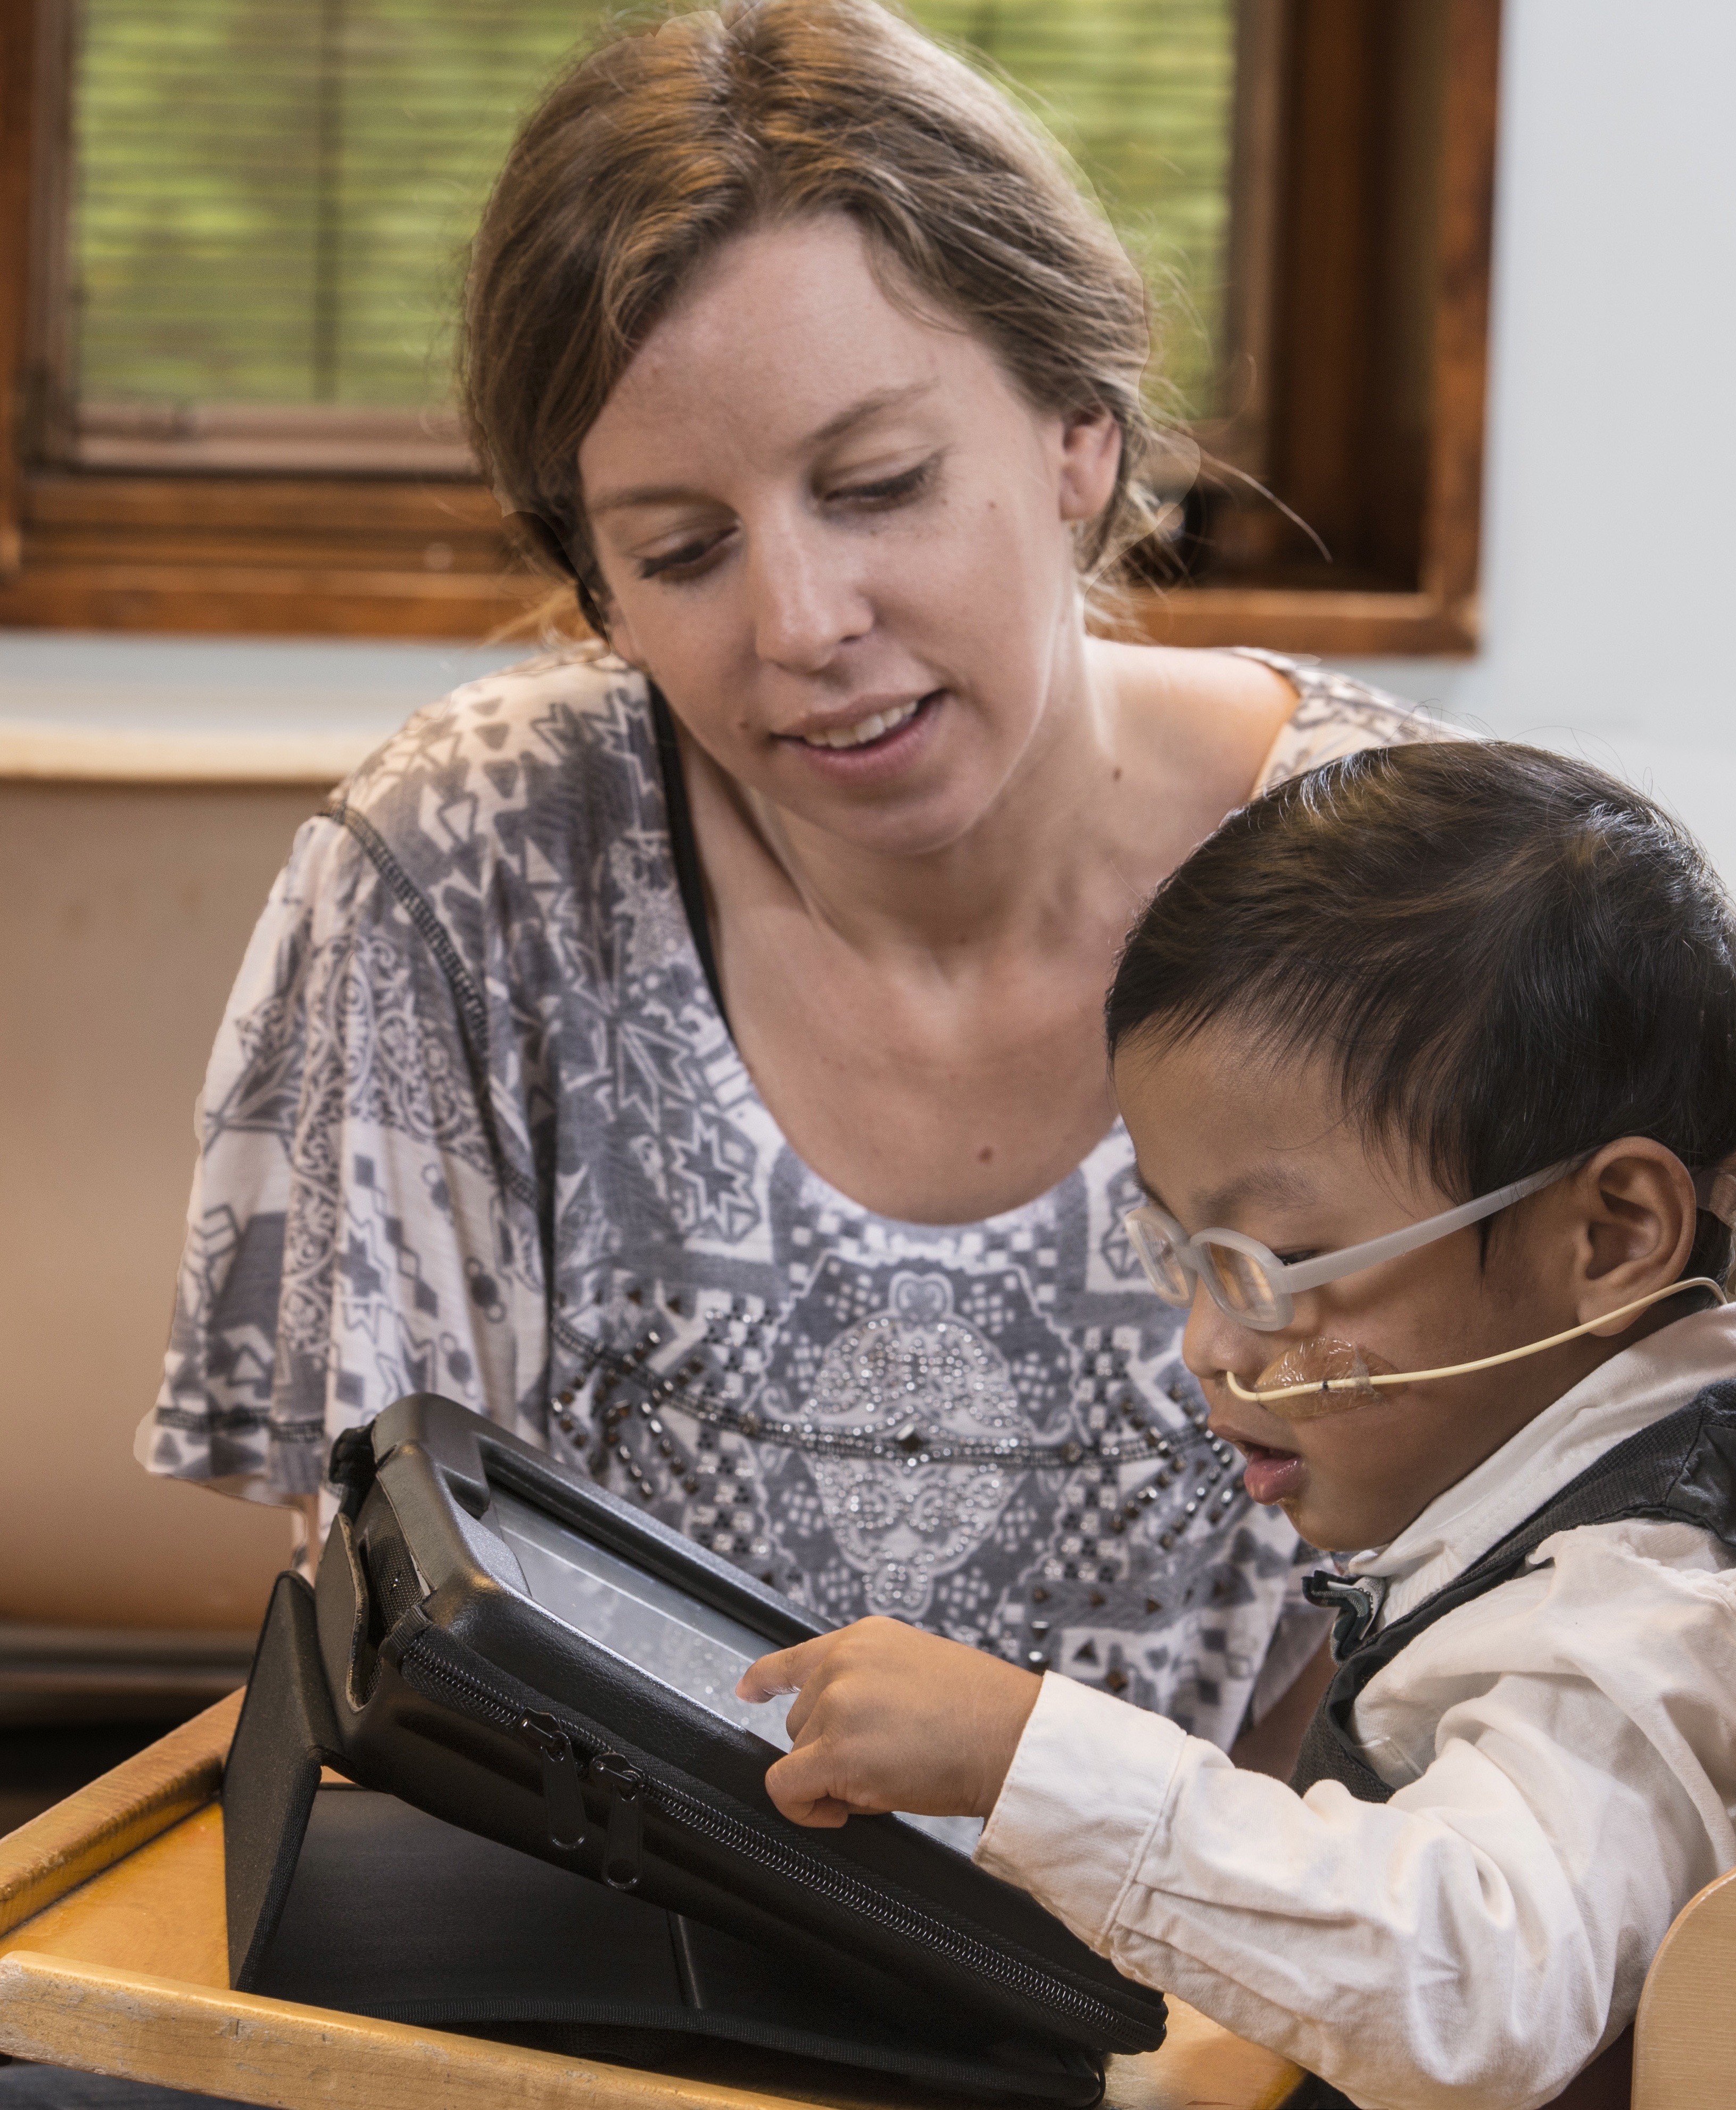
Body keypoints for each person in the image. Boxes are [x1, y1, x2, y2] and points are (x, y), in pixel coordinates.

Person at [136, 0, 1436, 1767]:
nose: (801, 626)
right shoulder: (461, 873)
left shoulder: (1409, 889)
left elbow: (1485, 1644)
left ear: (1078, 434)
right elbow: (397, 1624)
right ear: (593, 584)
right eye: (678, 551)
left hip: (1226, 1991)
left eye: (878, 485)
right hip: (613, 1961)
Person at [733, 742, 1736, 2110]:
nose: (1207, 1346)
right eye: (1184, 1259)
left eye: (1274, 1269)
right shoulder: (1629, 1500)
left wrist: (1032, 1757)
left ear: (1611, 1235)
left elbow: (1480, 1990)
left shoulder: (1661, 1605)